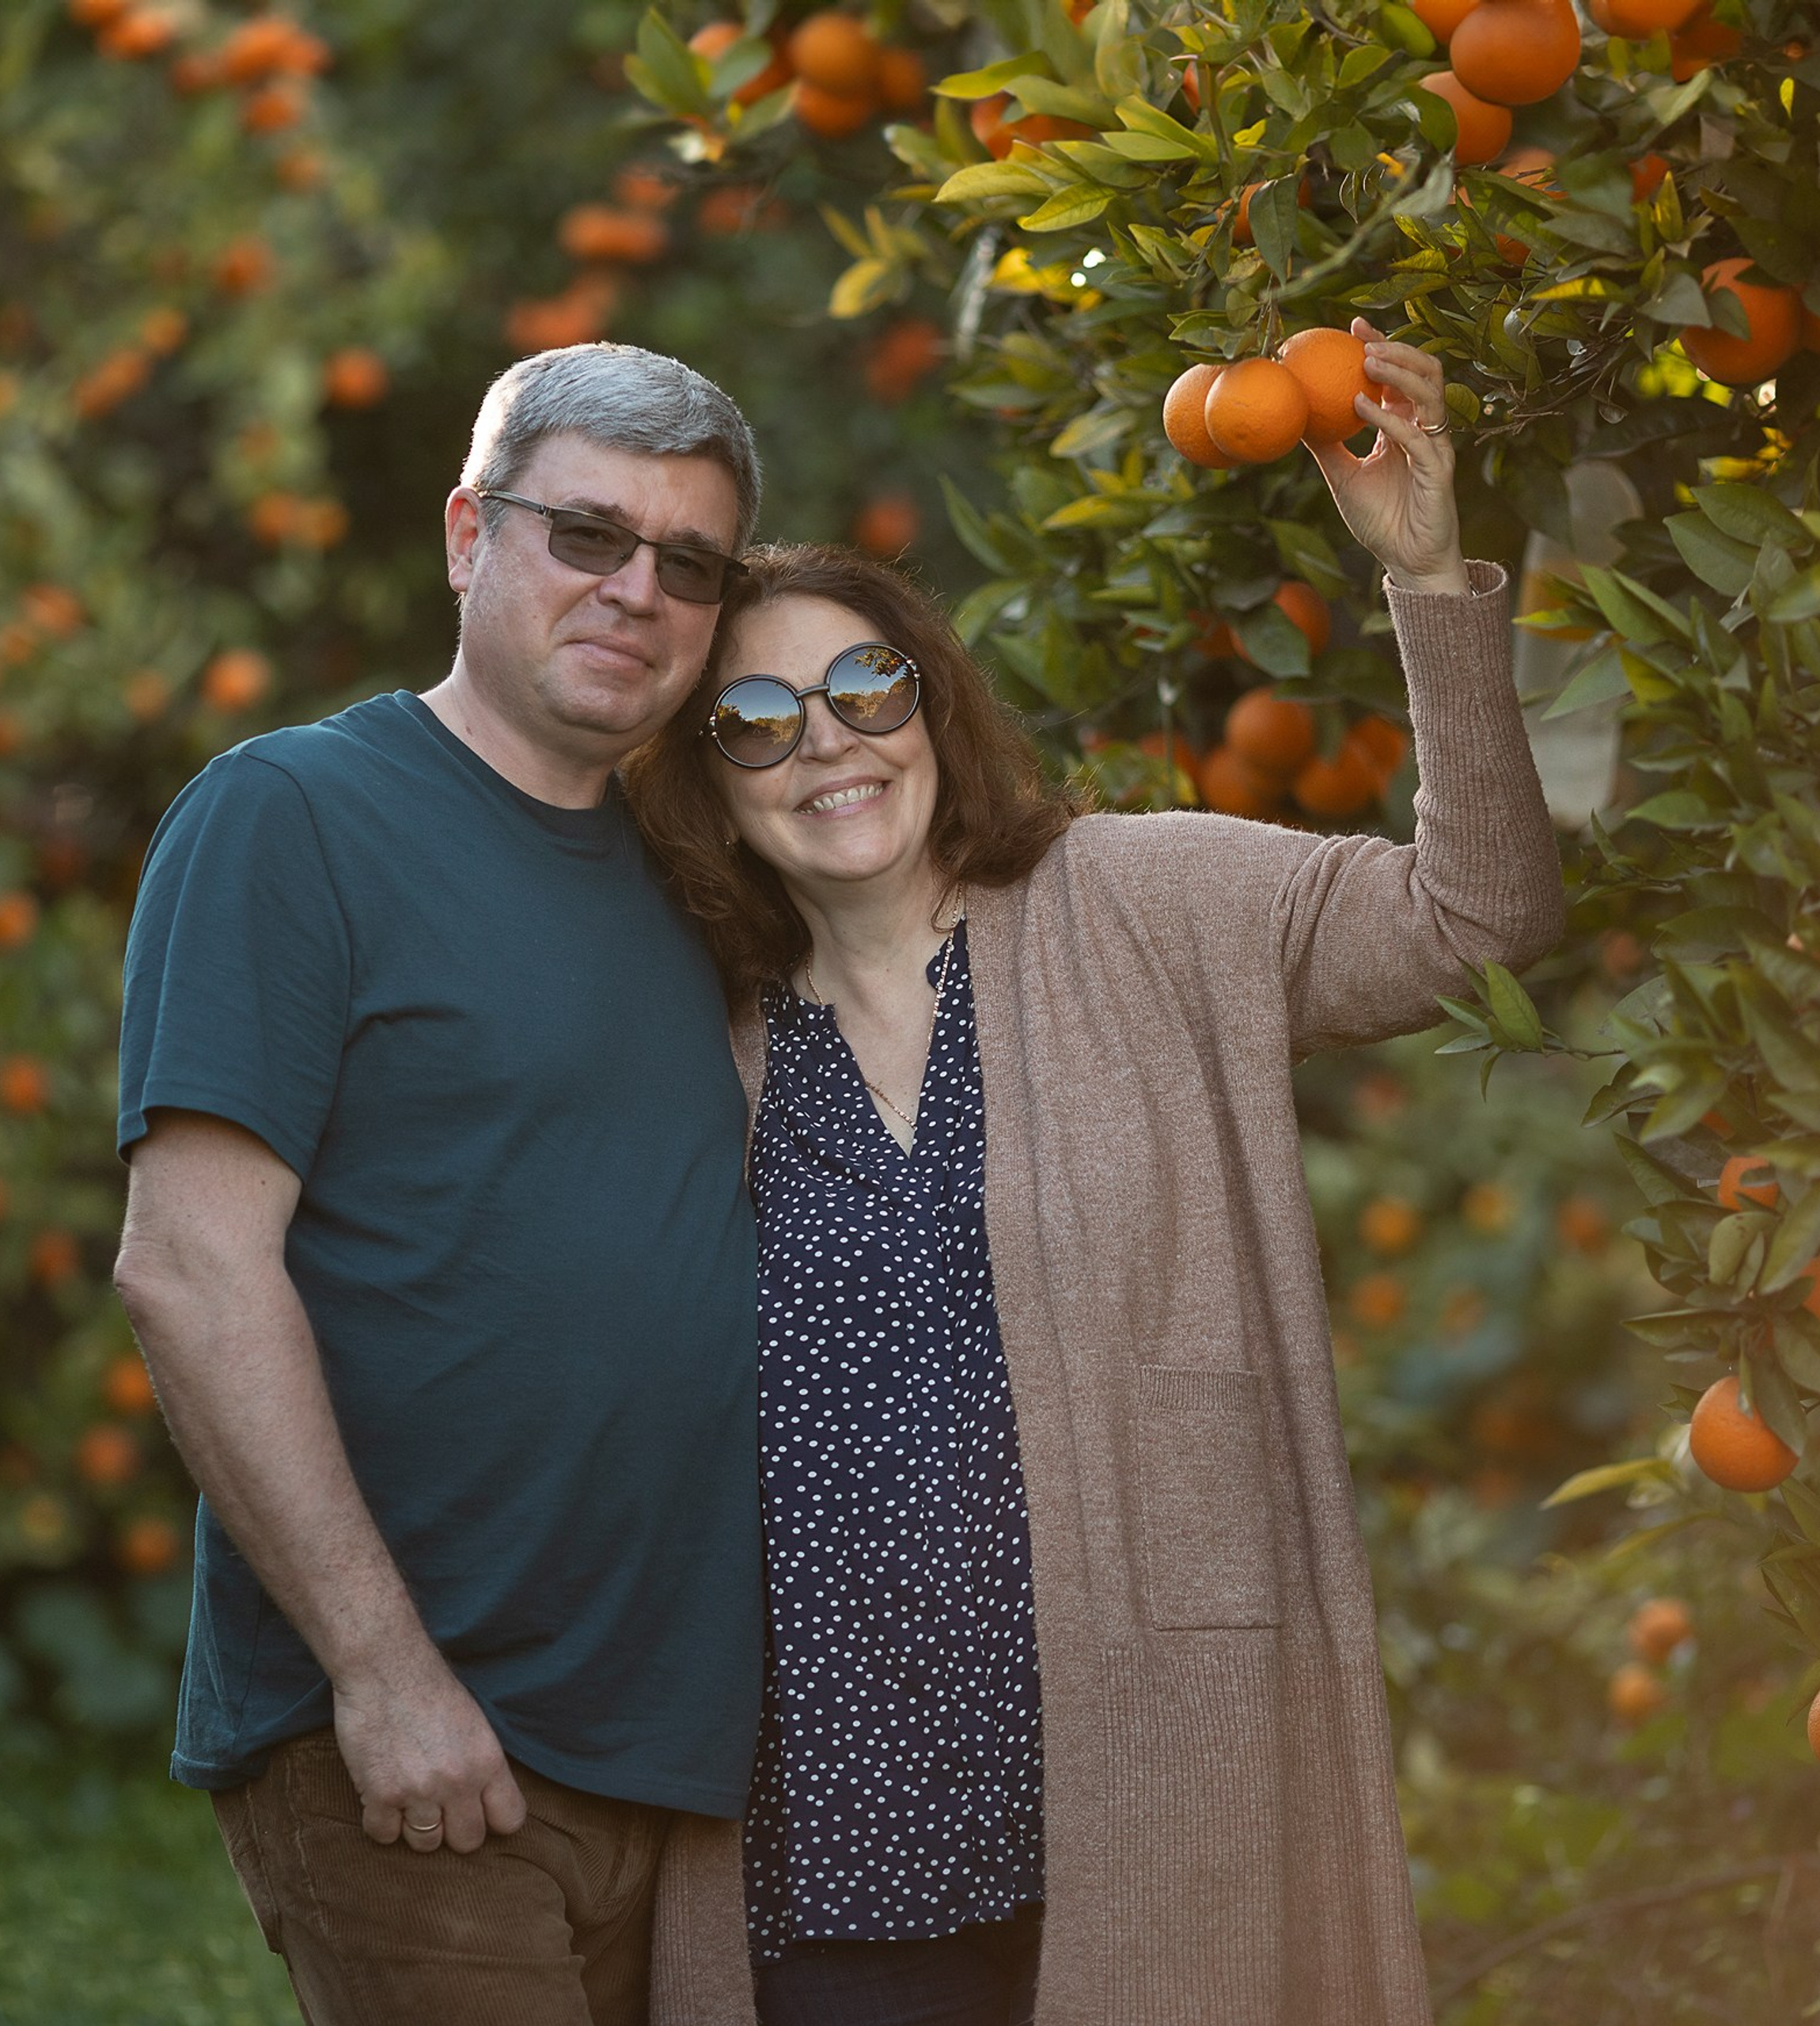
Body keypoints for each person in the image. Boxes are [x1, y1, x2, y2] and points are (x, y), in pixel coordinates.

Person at [621, 324, 1564, 2026]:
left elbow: (1476, 921)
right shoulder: (690, 1037)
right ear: (708, 776)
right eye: (753, 720)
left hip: (1144, 1767)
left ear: (928, 699)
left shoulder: (1139, 900)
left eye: (864, 689)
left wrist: (1427, 580)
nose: (826, 744)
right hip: (820, 1826)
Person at [112, 343, 770, 2026]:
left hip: (683, 1770)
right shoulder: (291, 815)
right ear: (471, 534)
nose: (637, 590)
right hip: (422, 1750)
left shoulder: (702, 879)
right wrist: (384, 1673)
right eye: (587, 534)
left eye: (690, 563)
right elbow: (189, 1267)